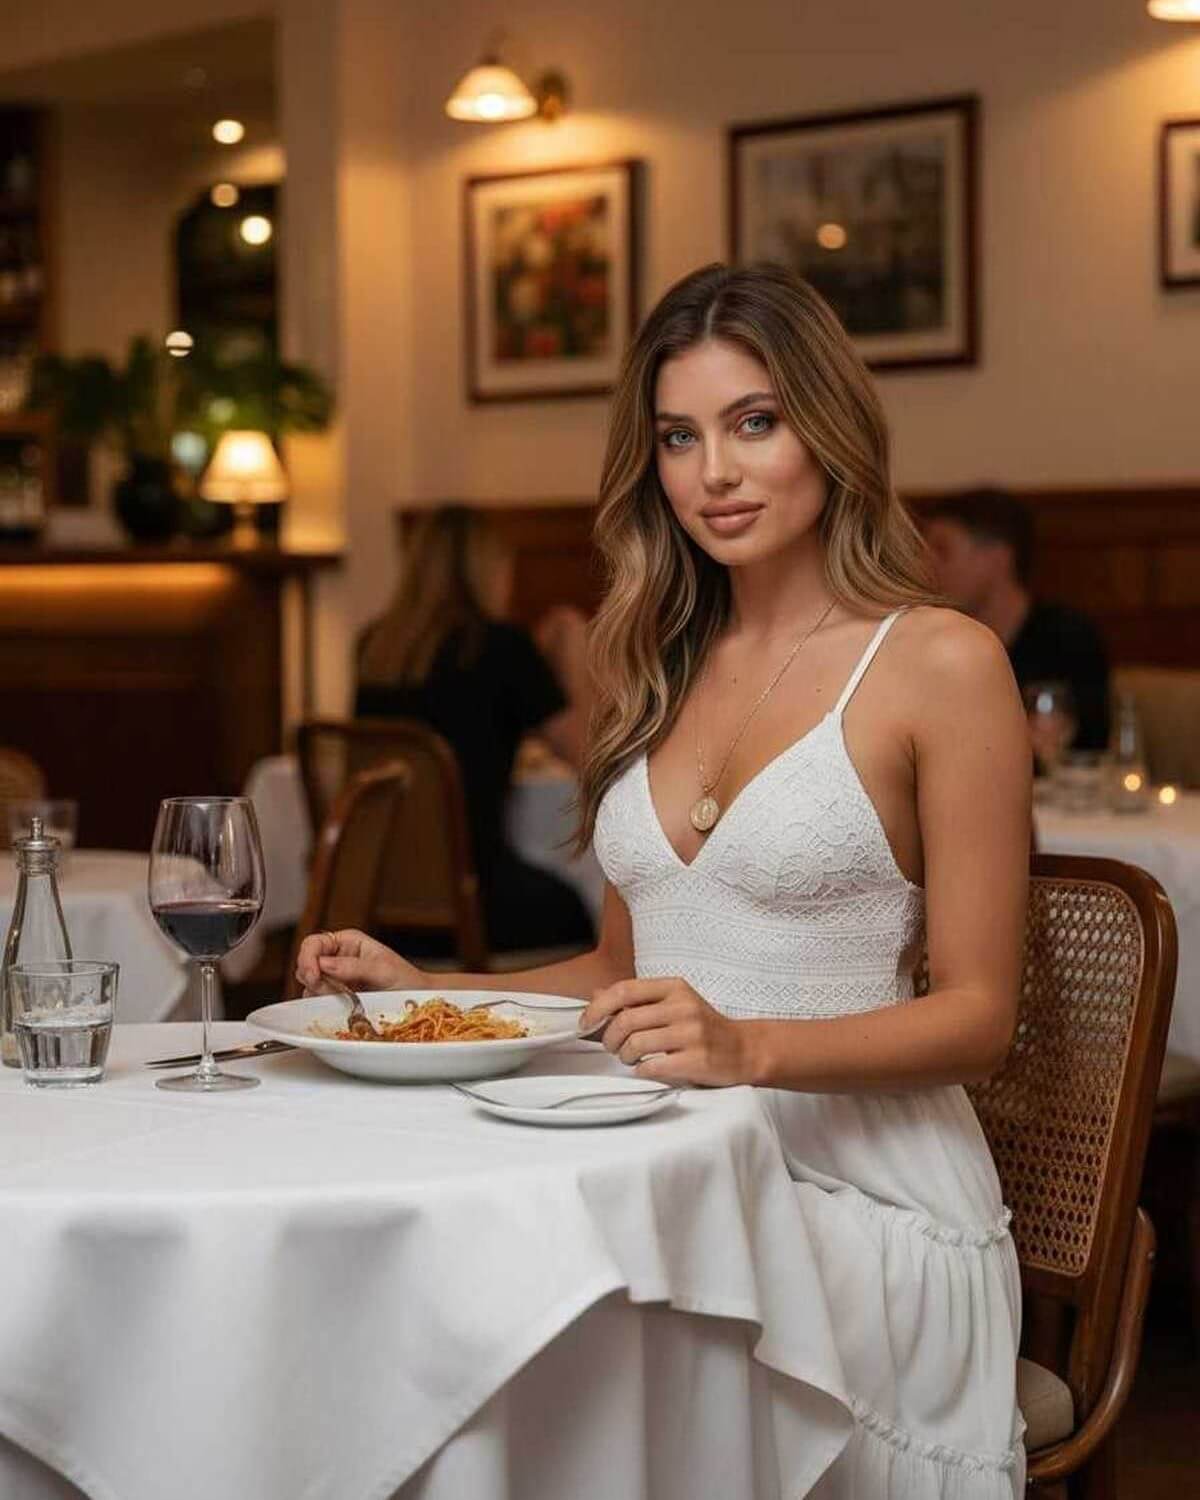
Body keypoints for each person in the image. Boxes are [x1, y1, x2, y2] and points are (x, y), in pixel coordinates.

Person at [301, 264, 1030, 1496]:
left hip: (860, 1204)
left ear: (830, 427)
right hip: (665, 1166)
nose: (715, 474)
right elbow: (617, 970)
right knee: (448, 1307)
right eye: (679, 439)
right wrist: (430, 990)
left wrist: (749, 1048)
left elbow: (980, 1019)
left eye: (755, 422)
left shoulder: (940, 663)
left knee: (558, 1341)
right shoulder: (651, 667)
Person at [355, 505, 594, 954]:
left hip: (376, 906)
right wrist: (572, 655)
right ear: (489, 569)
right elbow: (591, 755)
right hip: (479, 902)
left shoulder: (374, 648)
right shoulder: (502, 647)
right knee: (581, 910)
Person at [923, 487, 1110, 751]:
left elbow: (1089, 747)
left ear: (999, 559)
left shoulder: (1069, 638)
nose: (928, 565)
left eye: (943, 551)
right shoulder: (935, 642)